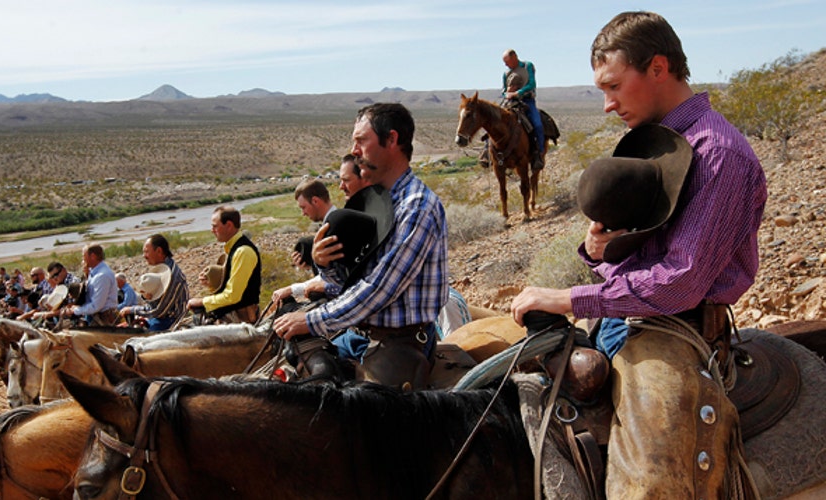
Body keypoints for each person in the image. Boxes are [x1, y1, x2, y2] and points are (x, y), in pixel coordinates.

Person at [510, 11, 766, 498]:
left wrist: (569, 298)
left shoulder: (720, 153)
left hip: (675, 331)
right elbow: (640, 251)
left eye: (613, 86)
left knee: (649, 485)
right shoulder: (656, 144)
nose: (607, 105)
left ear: (657, 68)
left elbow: (682, 282)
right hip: (619, 319)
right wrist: (599, 251)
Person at [273, 103, 449, 390]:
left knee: (363, 422)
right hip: (362, 333)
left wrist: (313, 319)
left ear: (391, 140)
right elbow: (350, 284)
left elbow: (381, 287)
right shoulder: (375, 203)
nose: (354, 150)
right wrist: (327, 266)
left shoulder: (417, 206)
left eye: (361, 140)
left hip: (401, 341)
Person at [187, 206, 261, 324]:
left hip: (240, 319)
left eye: (215, 226)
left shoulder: (243, 252)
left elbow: (233, 296)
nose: (212, 230)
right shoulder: (234, 249)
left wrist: (202, 301)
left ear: (229, 225)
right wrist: (211, 283)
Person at [121, 234, 190, 331]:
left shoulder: (173, 276)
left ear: (159, 251)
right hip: (159, 317)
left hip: (171, 320)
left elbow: (159, 311)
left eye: (146, 252)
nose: (144, 256)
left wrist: (132, 310)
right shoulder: (161, 269)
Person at [502, 48, 545, 170]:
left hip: (527, 101)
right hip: (510, 102)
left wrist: (517, 92)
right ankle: (487, 152)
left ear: (514, 57)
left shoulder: (527, 66)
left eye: (507, 61)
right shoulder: (506, 74)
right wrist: (507, 94)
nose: (506, 65)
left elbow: (531, 84)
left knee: (537, 125)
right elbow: (503, 90)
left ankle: (539, 153)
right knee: (494, 120)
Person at [64, 244, 120, 327]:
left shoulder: (102, 275)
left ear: (92, 256)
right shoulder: (93, 273)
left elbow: (97, 305)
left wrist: (75, 310)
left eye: (84, 256)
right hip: (95, 317)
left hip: (104, 320)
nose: (82, 259)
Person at [291, 179, 336, 273]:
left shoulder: (334, 227)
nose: (303, 213)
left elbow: (336, 276)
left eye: (303, 207)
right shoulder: (330, 223)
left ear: (315, 201)